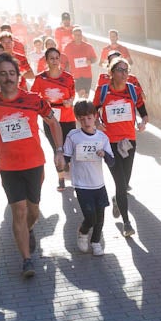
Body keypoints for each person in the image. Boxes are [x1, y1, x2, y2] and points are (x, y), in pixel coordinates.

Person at [0, 52, 66, 279]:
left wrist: (59, 150)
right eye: (3, 74)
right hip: (9, 167)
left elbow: (53, 122)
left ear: (18, 76)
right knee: (19, 210)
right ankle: (26, 260)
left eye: (12, 73)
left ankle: (28, 229)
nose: (8, 78)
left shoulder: (34, 100)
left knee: (33, 209)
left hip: (34, 164)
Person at [93, 54, 148, 237]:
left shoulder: (132, 90)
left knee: (124, 183)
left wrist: (142, 123)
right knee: (119, 181)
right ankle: (126, 222)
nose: (124, 74)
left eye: (126, 70)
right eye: (120, 70)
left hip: (129, 141)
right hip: (110, 142)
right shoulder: (103, 91)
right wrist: (97, 124)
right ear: (111, 72)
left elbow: (144, 113)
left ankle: (118, 198)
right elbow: (92, 111)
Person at [61, 101, 115, 256]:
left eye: (89, 118)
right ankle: (83, 232)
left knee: (100, 217)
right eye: (82, 119)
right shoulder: (73, 136)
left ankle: (96, 242)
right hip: (81, 184)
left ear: (95, 117)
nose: (86, 122)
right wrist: (61, 163)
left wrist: (104, 155)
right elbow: (66, 156)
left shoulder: (102, 137)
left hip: (98, 183)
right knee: (90, 217)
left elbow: (112, 161)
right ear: (78, 119)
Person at [30, 47, 78, 190]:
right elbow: (33, 96)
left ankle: (68, 166)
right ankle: (61, 178)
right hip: (49, 118)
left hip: (67, 117)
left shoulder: (68, 77)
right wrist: (42, 106)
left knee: (69, 148)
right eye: (51, 58)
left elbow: (72, 94)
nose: (55, 61)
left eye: (57, 58)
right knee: (57, 149)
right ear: (46, 60)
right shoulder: (40, 78)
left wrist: (70, 101)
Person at [63, 27, 98, 98]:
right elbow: (64, 61)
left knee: (86, 96)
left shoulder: (88, 46)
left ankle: (84, 108)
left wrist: (90, 61)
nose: (78, 37)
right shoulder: (68, 47)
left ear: (82, 35)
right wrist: (66, 70)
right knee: (81, 94)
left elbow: (95, 59)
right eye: (76, 35)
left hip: (87, 75)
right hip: (75, 75)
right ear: (72, 36)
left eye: (79, 35)